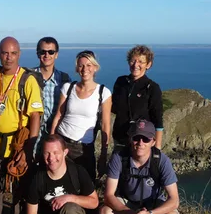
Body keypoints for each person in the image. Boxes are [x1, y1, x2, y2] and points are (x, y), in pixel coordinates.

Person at [0, 37, 43, 214]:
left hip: (18, 145)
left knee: (18, 192)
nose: (8, 57)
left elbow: (35, 115)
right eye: (4, 53)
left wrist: (28, 149)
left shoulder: (27, 80)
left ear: (19, 54)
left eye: (13, 53)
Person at [99, 120, 181, 214]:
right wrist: (131, 213)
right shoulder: (119, 158)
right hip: (127, 202)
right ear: (131, 139)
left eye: (146, 139)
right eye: (136, 138)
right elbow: (109, 195)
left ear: (153, 141)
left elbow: (174, 200)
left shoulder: (161, 160)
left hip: (153, 205)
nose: (141, 142)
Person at [20, 134, 98, 214]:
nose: (51, 158)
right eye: (47, 153)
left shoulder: (78, 171)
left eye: (56, 153)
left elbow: (94, 202)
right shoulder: (37, 177)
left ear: (65, 152)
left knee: (70, 208)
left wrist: (70, 198)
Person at [50, 50, 112, 182]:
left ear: (95, 68)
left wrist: (103, 154)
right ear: (77, 68)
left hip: (84, 149)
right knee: (57, 183)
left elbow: (106, 125)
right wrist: (51, 140)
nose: (85, 69)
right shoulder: (68, 88)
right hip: (62, 142)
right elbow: (59, 115)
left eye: (89, 65)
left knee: (85, 186)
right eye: (81, 65)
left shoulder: (103, 93)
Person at [112, 45, 163, 150]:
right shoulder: (120, 82)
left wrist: (157, 148)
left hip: (141, 142)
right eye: (132, 61)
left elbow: (158, 120)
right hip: (120, 139)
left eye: (141, 62)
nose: (136, 65)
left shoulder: (152, 87)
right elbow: (114, 108)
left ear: (148, 65)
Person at [33, 37, 71, 157]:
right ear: (38, 54)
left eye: (51, 52)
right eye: (42, 52)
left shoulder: (65, 80)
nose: (46, 55)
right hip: (31, 134)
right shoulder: (27, 77)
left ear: (56, 55)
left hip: (55, 135)